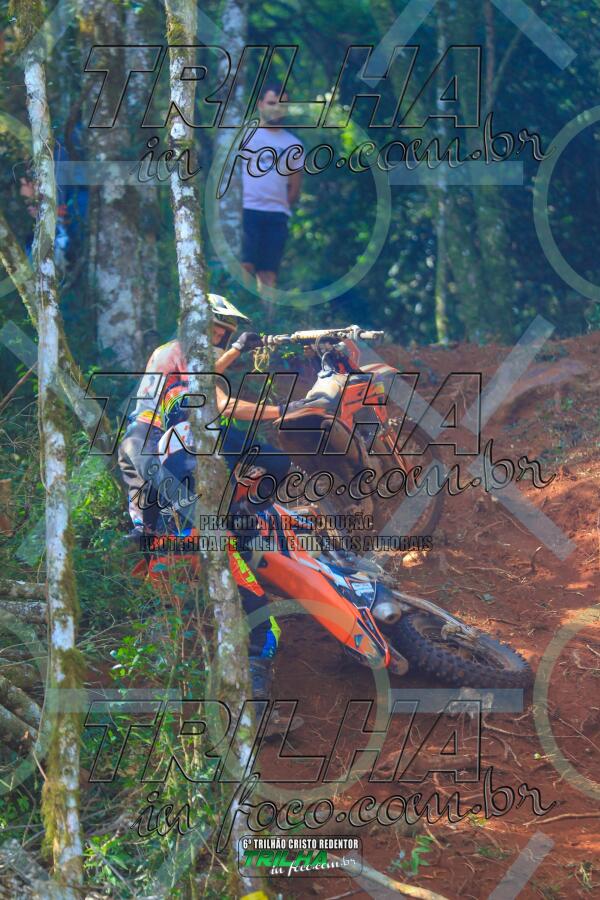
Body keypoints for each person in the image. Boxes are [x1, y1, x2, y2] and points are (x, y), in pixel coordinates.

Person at [117, 294, 294, 708]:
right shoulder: (175, 353)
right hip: (153, 456)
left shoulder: (193, 408)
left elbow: (219, 400)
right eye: (216, 329)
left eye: (225, 334)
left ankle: (253, 679)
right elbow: (212, 393)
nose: (219, 338)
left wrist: (280, 410)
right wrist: (238, 354)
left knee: (258, 480)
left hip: (190, 515)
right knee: (164, 514)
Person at [241, 82, 303, 296]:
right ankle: (241, 309)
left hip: (277, 214)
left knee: (268, 274)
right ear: (260, 104)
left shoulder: (293, 144)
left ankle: (266, 315)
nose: (277, 108)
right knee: (244, 266)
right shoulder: (245, 136)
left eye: (282, 104)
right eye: (271, 103)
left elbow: (295, 186)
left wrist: (282, 204)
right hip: (247, 210)